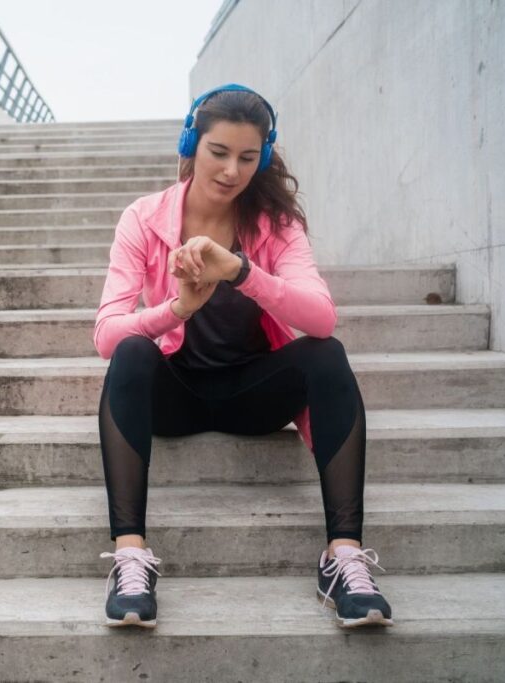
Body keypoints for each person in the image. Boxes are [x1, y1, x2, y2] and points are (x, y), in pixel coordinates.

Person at [93, 84, 393, 629]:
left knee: (326, 354)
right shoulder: (143, 218)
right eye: (219, 152)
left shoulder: (276, 225)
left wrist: (242, 272)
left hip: (254, 397)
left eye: (248, 157)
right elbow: (107, 335)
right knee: (133, 352)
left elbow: (321, 317)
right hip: (175, 397)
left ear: (263, 159)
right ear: (191, 145)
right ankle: (131, 557)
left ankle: (343, 557)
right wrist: (176, 310)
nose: (232, 170)